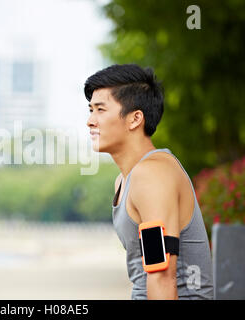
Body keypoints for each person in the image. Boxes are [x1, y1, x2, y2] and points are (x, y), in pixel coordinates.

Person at [84, 64, 214, 300]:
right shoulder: (125, 181)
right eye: (90, 110)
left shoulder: (151, 176)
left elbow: (161, 274)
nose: (90, 121)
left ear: (135, 119)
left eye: (100, 110)